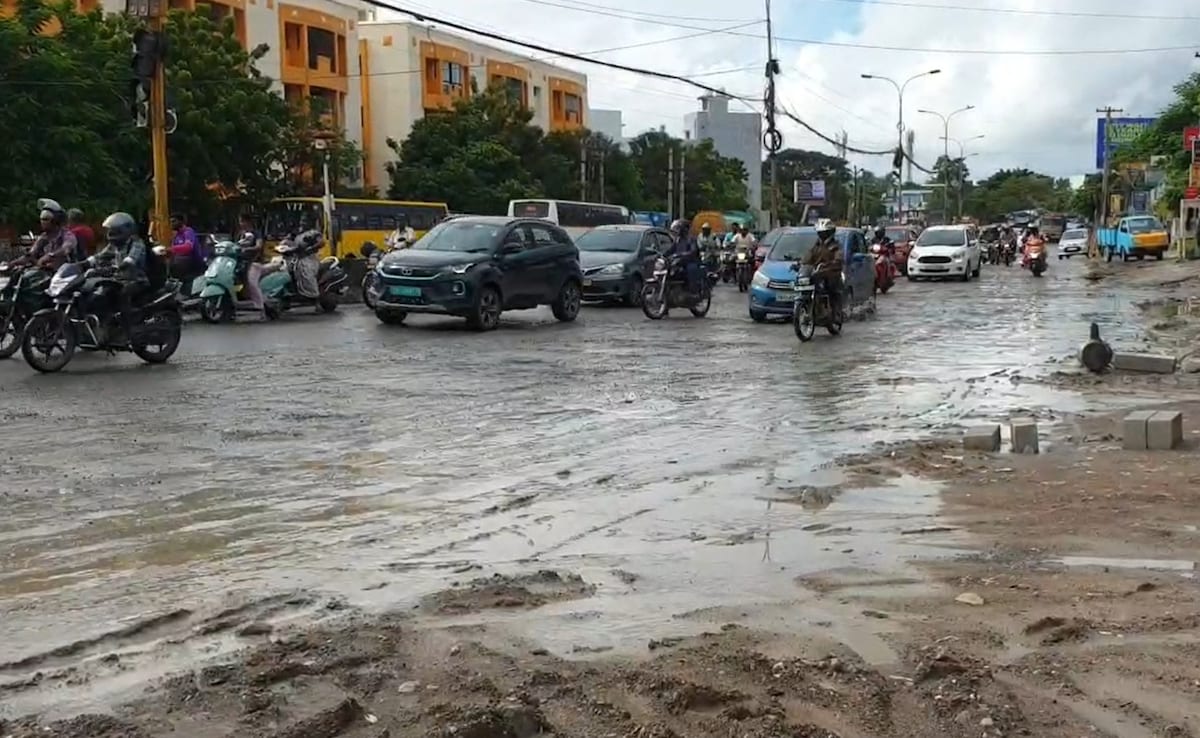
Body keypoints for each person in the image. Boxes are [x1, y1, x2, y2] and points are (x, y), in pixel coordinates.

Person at [92, 212, 151, 340]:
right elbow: (100, 257)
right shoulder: (114, 245)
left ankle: (128, 329)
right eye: (111, 231)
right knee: (99, 293)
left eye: (115, 231)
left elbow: (131, 259)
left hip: (137, 280)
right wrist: (84, 263)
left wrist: (121, 266)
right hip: (118, 280)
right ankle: (107, 324)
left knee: (123, 294)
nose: (111, 235)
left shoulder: (136, 243)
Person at [15, 198, 78, 274]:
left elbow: (65, 249)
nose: (42, 222)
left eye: (45, 219)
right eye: (41, 219)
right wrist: (12, 263)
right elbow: (32, 253)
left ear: (56, 220)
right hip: (47, 273)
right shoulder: (44, 237)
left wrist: (49, 256)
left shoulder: (67, 235)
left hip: (65, 276)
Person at [804, 218, 844, 319]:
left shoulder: (836, 246)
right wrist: (801, 264)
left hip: (830, 273)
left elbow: (839, 258)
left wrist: (832, 264)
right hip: (817, 273)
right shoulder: (816, 246)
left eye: (824, 233)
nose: (822, 235)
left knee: (831, 288)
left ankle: (834, 312)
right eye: (820, 233)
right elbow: (808, 257)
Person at [235, 214, 266, 316]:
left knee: (252, 282)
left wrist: (247, 249)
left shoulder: (256, 234)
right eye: (240, 221)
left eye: (242, 221)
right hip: (240, 262)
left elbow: (259, 246)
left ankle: (261, 308)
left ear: (248, 222)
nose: (240, 224)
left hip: (254, 262)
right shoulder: (240, 234)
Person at [666, 218, 701, 296]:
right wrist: (661, 255)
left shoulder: (691, 239)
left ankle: (692, 291)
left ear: (684, 229)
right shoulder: (678, 239)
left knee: (690, 269)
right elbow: (671, 250)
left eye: (679, 228)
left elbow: (693, 251)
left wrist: (682, 254)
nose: (677, 231)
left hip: (691, 261)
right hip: (680, 261)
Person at [169, 213, 201, 279]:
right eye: (171, 222)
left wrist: (171, 249)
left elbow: (188, 247)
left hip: (193, 264)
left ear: (181, 222)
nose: (172, 224)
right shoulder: (176, 235)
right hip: (182, 265)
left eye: (174, 221)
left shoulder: (188, 232)